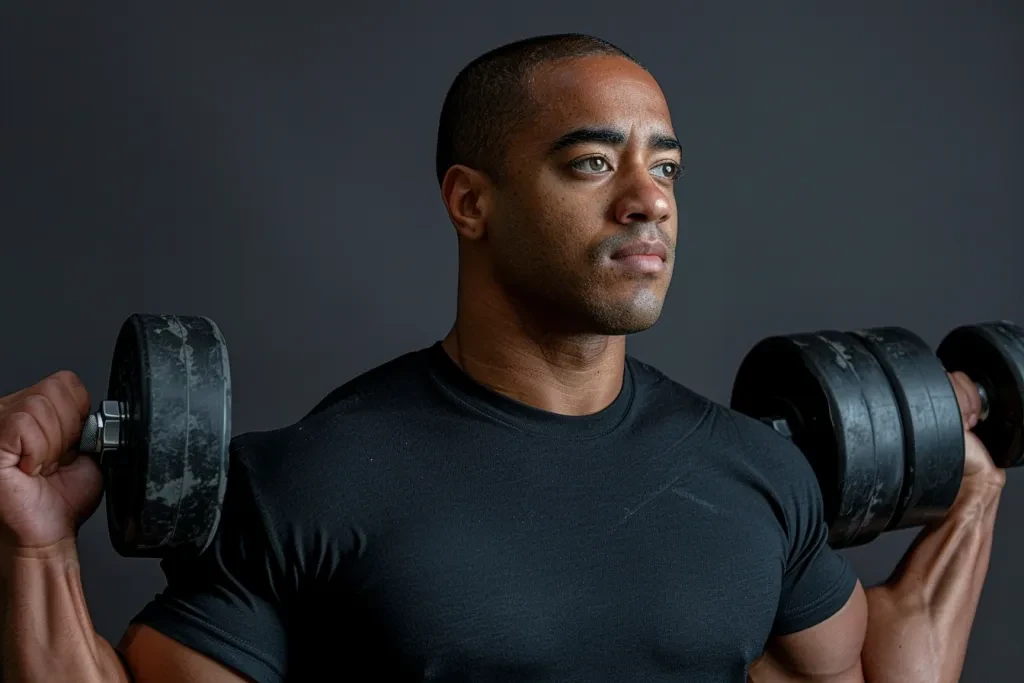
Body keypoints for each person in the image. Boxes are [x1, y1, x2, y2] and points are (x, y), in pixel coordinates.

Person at [0, 33, 1006, 683]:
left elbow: (875, 672)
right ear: (469, 201)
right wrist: (38, 547)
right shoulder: (311, 480)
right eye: (591, 161)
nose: (648, 197)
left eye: (664, 167)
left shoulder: (753, 470)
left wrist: (975, 483)